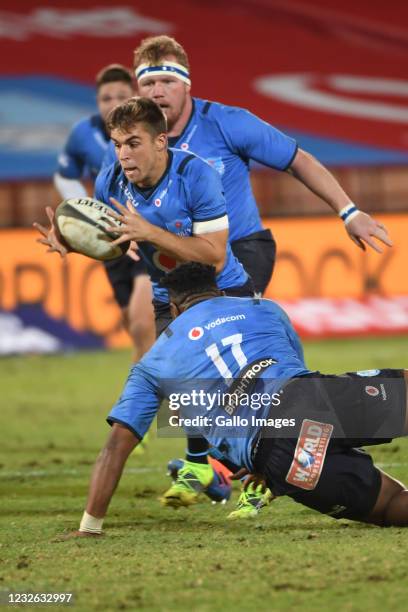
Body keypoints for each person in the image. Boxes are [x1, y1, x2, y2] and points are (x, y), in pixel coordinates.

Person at [67, 262, 408, 537]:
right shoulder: (264, 308)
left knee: (391, 505)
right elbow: (296, 366)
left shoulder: (151, 365)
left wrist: (90, 526)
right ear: (218, 291)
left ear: (172, 308)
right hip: (310, 397)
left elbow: (115, 447)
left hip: (276, 455)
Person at [35, 96, 253, 493]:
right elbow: (114, 240)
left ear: (160, 141)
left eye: (133, 142)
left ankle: (246, 473)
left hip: (225, 293)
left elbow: (215, 255)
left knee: (242, 392)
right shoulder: (111, 181)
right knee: (183, 390)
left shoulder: (195, 175)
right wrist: (72, 240)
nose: (123, 154)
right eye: (117, 144)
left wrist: (151, 232)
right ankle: (204, 469)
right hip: (166, 297)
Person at [102, 35, 392, 293]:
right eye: (148, 83)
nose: (157, 92)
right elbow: (108, 201)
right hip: (179, 255)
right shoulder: (128, 142)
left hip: (242, 249)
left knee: (225, 325)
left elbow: (298, 161)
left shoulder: (229, 123)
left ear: (187, 84)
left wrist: (349, 212)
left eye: (168, 81)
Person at [53, 63, 154, 362]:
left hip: (147, 233)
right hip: (110, 238)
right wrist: (82, 207)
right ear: (97, 102)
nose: (113, 104)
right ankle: (171, 385)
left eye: (121, 96)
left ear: (134, 95)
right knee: (133, 324)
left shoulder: (150, 130)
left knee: (142, 322)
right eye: (105, 98)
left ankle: (143, 402)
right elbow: (65, 173)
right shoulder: (83, 133)